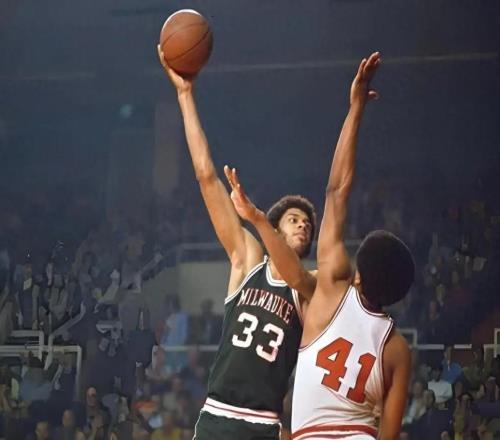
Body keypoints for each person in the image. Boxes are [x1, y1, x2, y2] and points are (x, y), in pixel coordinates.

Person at [227, 52, 415, 439]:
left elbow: (336, 190)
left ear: (358, 274)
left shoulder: (331, 289)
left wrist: (356, 108)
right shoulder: (397, 350)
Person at [157, 45, 317, 440]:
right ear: (275, 229)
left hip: (264, 422)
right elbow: (206, 177)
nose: (302, 226)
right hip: (217, 414)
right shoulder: (248, 260)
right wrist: (185, 96)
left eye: (307, 225)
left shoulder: (309, 286)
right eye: (294, 220)